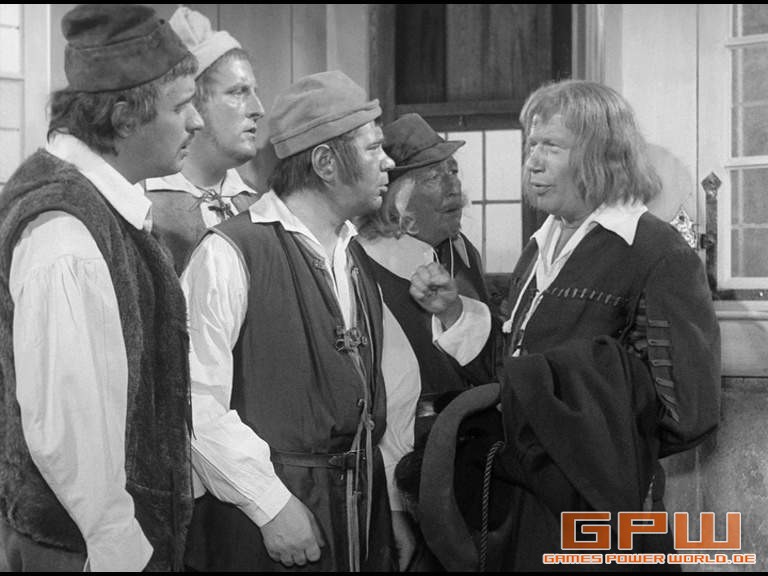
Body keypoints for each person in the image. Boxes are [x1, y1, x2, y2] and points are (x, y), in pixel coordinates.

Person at [406, 79, 721, 570]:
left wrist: (585, 439)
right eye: (531, 145)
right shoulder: (540, 246)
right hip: (523, 499)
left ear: (601, 155)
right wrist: (453, 313)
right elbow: (512, 371)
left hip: (600, 508)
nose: (532, 162)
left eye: (550, 146)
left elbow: (689, 412)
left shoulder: (658, 253)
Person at [0, 4, 203, 572]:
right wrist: (121, 548)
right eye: (181, 106)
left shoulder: (100, 207)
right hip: (86, 549)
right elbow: (69, 433)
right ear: (124, 117)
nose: (197, 122)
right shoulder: (66, 234)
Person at [181, 70, 397, 571]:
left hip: (357, 515)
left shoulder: (353, 255)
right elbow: (193, 401)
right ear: (325, 162)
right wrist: (271, 506)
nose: (387, 161)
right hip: (265, 522)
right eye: (372, 148)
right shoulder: (231, 253)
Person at [356, 112, 495, 569]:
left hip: (472, 451)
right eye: (435, 177)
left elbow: (488, 353)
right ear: (398, 203)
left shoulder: (462, 251)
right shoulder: (362, 264)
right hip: (406, 462)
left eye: (453, 170)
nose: (454, 186)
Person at [145, 6, 264, 275]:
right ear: (191, 102)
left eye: (255, 92)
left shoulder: (259, 207)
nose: (258, 109)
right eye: (238, 92)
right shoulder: (143, 207)